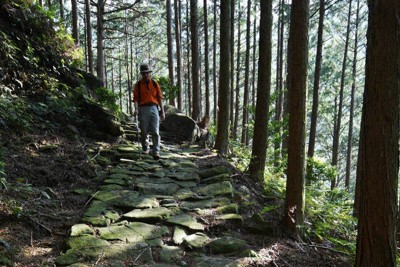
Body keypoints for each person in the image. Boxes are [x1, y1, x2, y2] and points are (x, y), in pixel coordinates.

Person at [133, 63, 165, 160]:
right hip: (143, 108)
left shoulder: (155, 84)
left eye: (147, 73)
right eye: (144, 73)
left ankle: (156, 151)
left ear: (149, 73)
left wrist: (162, 112)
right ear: (141, 74)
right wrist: (136, 109)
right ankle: (145, 148)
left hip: (154, 108)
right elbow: (136, 99)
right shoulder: (138, 85)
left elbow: (159, 98)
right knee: (144, 131)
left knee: (155, 130)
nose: (146, 75)